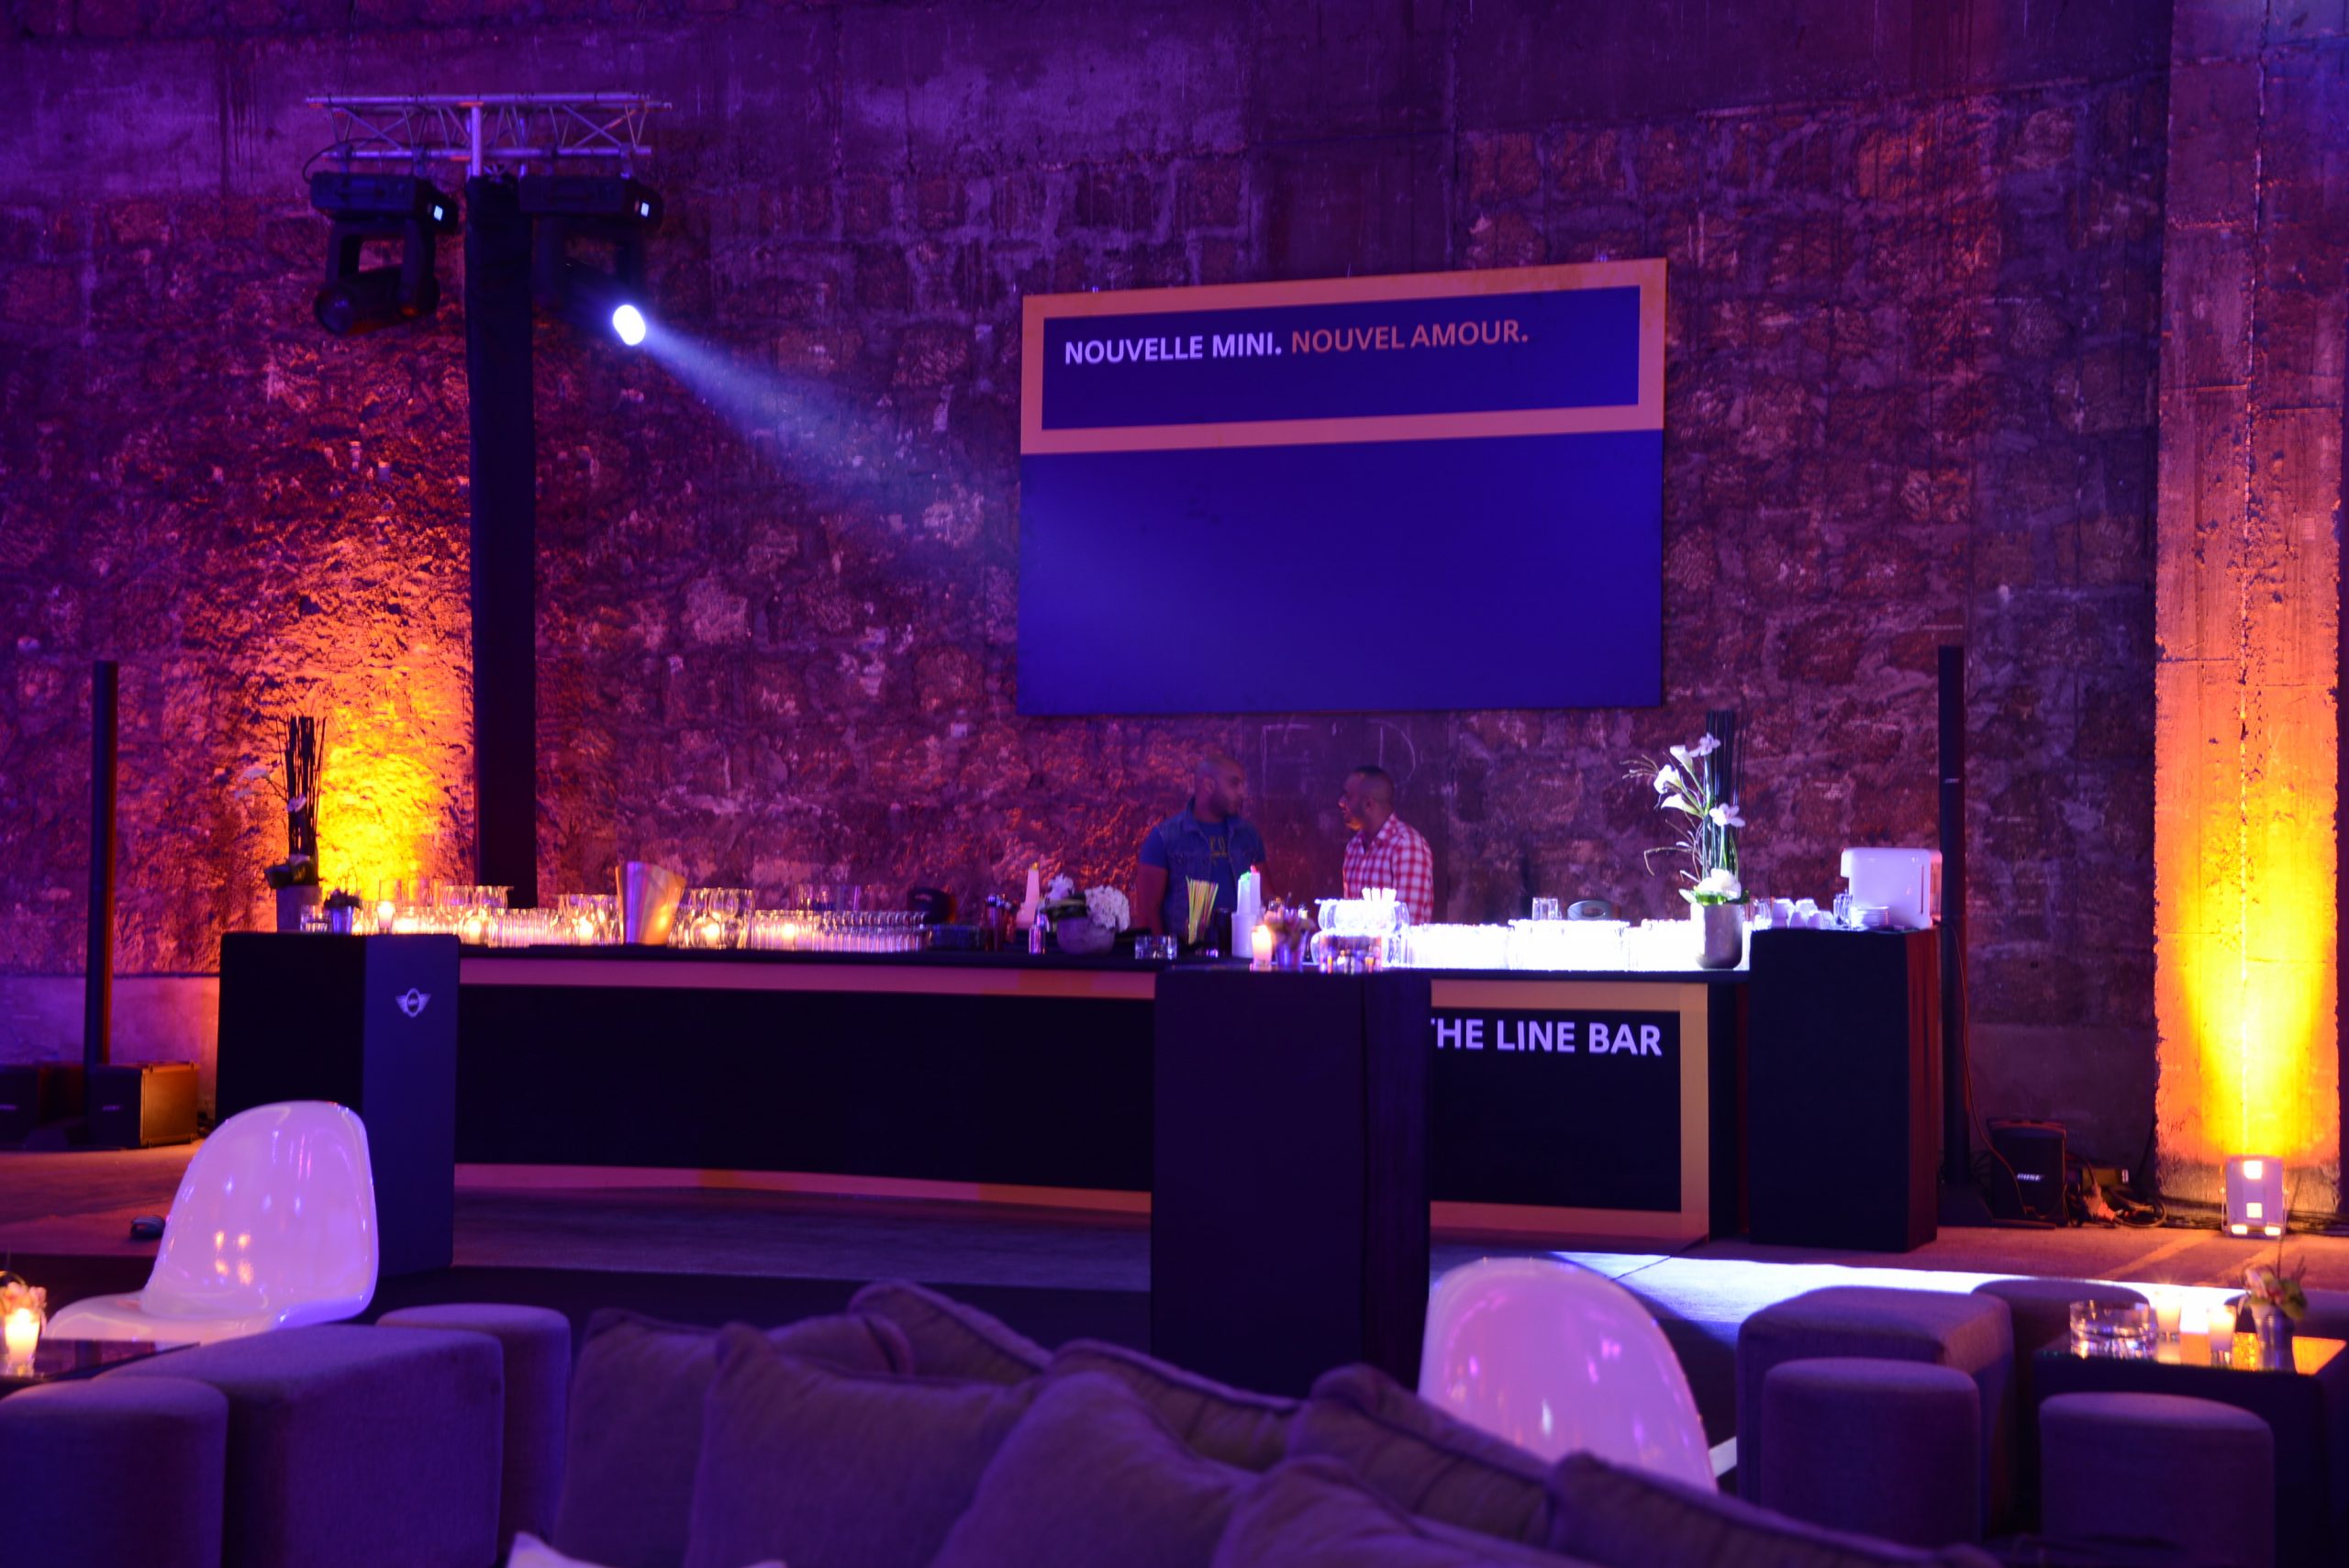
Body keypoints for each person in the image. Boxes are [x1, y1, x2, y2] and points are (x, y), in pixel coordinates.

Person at [1135, 753, 1268, 939]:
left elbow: (1266, 897)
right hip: (1186, 950)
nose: (1242, 792)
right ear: (1209, 785)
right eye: (1234, 784)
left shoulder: (1247, 835)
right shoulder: (1165, 837)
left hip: (1243, 947)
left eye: (1242, 784)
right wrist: (1163, 953)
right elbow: (1148, 910)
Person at [1340, 765, 1435, 924]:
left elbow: (1408, 925)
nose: (1341, 802)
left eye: (1348, 797)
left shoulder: (1407, 846)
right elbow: (1349, 925)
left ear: (1368, 805)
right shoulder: (1354, 847)